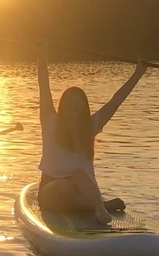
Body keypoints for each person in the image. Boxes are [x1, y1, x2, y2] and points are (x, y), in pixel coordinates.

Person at [37, 39, 146, 226]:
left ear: (83, 107)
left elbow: (116, 101)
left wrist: (137, 74)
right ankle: (100, 206)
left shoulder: (90, 126)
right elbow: (43, 86)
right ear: (63, 105)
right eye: (70, 102)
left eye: (78, 103)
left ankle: (97, 207)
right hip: (52, 191)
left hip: (82, 191)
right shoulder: (50, 121)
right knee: (68, 183)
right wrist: (42, 56)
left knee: (79, 176)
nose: (74, 105)